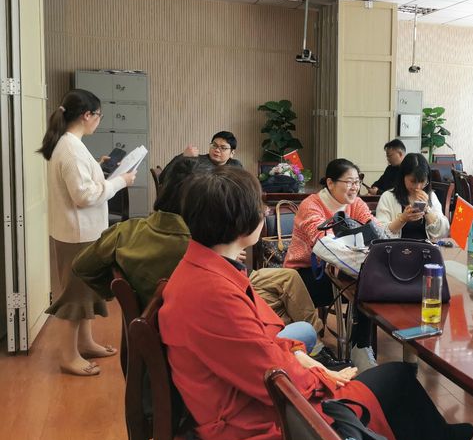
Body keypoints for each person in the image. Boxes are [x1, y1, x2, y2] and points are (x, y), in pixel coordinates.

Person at [159, 166, 473, 440]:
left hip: (258, 404)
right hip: (265, 428)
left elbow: (262, 347)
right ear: (240, 221)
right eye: (259, 208)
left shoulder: (203, 270)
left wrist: (303, 358)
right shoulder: (212, 294)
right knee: (395, 382)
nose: (265, 213)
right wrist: (324, 375)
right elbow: (271, 376)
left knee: (397, 379)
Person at [73, 157, 347, 369]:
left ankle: (311, 347)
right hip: (225, 349)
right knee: (297, 324)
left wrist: (123, 291)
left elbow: (82, 267)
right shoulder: (200, 249)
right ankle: (315, 349)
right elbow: (249, 347)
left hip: (180, 333)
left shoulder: (129, 231)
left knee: (286, 284)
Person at [39, 89, 137, 376]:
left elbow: (82, 182)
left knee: (86, 292)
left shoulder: (70, 144)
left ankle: (85, 342)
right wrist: (120, 181)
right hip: (77, 235)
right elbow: (83, 196)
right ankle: (68, 356)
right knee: (75, 296)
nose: (99, 121)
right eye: (99, 116)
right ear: (87, 115)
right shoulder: (70, 148)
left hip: (81, 232)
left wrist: (99, 166)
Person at [284, 158, 385, 372]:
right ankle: (349, 349)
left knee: (366, 285)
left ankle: (360, 346)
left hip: (344, 270)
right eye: (349, 182)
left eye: (357, 182)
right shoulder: (311, 205)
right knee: (362, 283)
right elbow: (324, 243)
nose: (354, 187)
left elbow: (375, 229)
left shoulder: (356, 203)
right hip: (306, 273)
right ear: (330, 183)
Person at [376, 152, 449, 240]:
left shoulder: (431, 196)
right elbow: (380, 233)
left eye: (422, 181)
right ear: (403, 177)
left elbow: (443, 232)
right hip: (397, 247)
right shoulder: (388, 197)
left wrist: (427, 210)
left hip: (426, 247)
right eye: (413, 181)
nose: (418, 187)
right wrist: (402, 219)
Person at [160, 130, 242, 184]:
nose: (217, 150)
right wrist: (183, 157)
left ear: (232, 153)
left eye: (223, 148)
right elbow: (163, 178)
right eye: (214, 145)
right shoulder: (195, 161)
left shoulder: (236, 166)